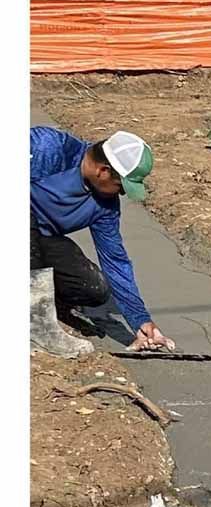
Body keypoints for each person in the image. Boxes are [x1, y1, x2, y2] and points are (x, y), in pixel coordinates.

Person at [30, 127, 175, 357]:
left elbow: (115, 261)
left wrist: (141, 320)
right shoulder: (47, 148)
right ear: (103, 171)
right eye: (121, 186)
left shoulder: (105, 206)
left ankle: (49, 304)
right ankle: (35, 322)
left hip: (40, 241)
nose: (123, 194)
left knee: (93, 288)